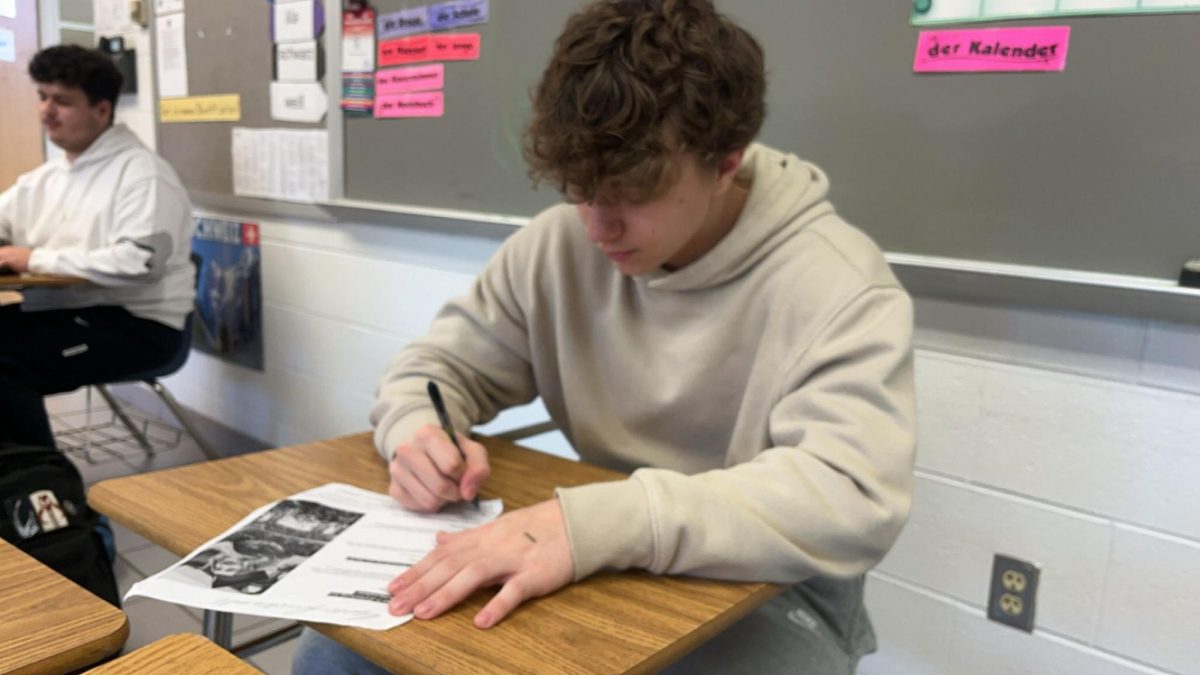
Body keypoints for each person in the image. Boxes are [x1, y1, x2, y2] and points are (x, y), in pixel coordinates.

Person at [295, 0, 915, 672]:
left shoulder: (840, 284)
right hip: (589, 546)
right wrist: (415, 429)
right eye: (578, 188)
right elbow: (439, 365)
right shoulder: (559, 245)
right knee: (339, 657)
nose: (597, 227)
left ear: (726, 161)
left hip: (768, 585)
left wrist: (591, 525)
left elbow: (850, 498)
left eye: (633, 192)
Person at [0, 45, 195, 449]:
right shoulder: (48, 177)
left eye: (62, 101)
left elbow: (140, 262)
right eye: (42, 97)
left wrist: (32, 258)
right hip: (67, 312)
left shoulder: (143, 174)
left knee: (5, 365)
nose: (46, 111)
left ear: (102, 110)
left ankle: (44, 495)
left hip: (136, 327)